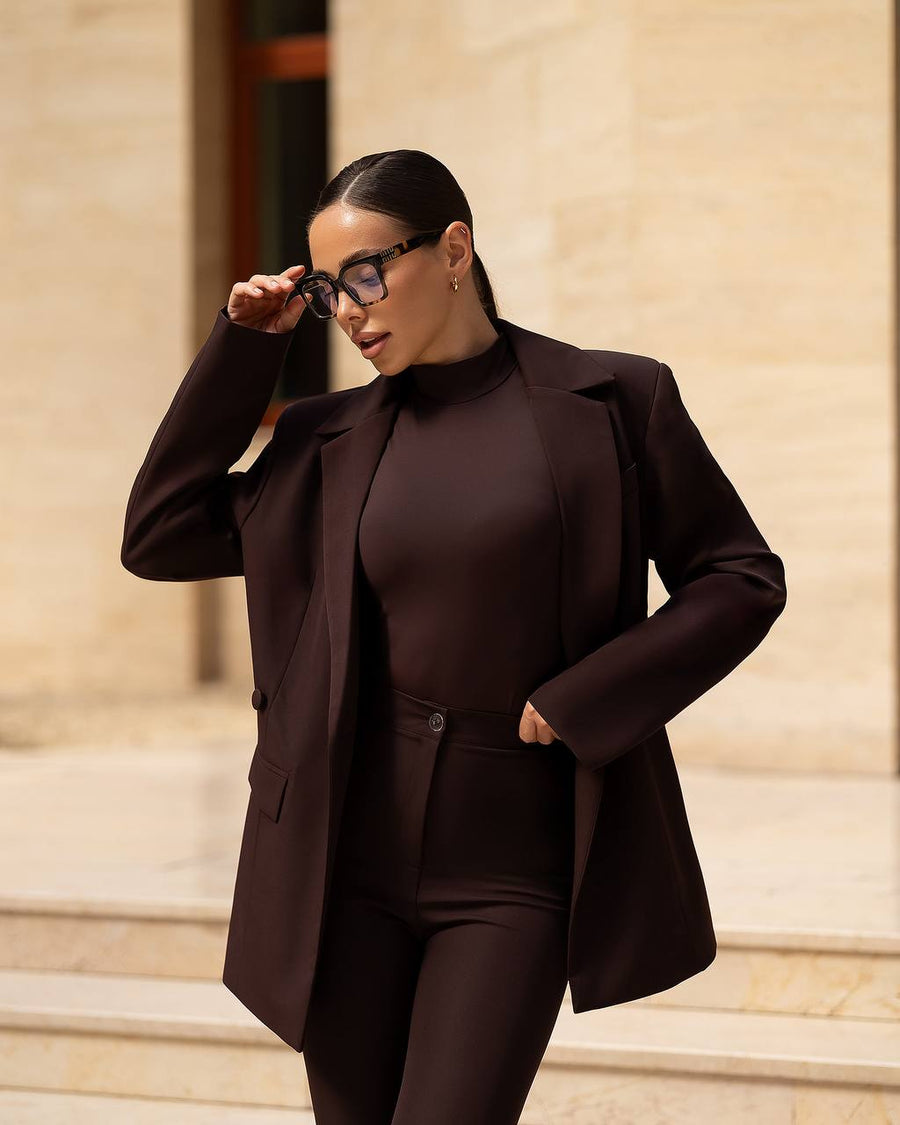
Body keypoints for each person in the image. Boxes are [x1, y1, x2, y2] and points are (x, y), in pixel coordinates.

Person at [123, 148, 786, 1124]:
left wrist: (587, 700)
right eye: (323, 290)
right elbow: (161, 534)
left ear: (454, 250)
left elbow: (738, 578)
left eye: (365, 272)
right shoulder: (321, 440)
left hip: (512, 868)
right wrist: (243, 346)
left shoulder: (612, 403)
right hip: (341, 860)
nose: (347, 309)